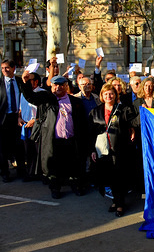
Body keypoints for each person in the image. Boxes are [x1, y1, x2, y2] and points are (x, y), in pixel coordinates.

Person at [20, 68, 88, 199]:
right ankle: (55, 188)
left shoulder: (75, 102)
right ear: (51, 86)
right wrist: (25, 82)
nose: (58, 88)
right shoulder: (47, 99)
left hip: (71, 139)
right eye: (55, 85)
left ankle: (76, 185)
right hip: (53, 140)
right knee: (54, 167)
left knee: (73, 164)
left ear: (66, 87)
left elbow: (82, 122)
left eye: (62, 85)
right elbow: (30, 97)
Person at [89, 84, 136, 217]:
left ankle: (120, 205)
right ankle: (116, 201)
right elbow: (91, 132)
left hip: (120, 149)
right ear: (102, 96)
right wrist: (92, 150)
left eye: (111, 94)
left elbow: (132, 122)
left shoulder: (123, 109)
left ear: (116, 95)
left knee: (119, 177)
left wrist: (132, 129)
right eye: (106, 94)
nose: (109, 96)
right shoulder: (96, 111)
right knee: (108, 177)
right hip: (103, 150)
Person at [0, 59, 26, 182]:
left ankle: (21, 171)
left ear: (13, 68)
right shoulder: (0, 83)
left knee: (19, 146)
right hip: (4, 119)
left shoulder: (20, 82)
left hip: (18, 118)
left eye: (7, 68)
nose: (5, 70)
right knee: (3, 148)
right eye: (2, 68)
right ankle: (5, 173)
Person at [18, 72, 45, 181]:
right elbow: (21, 108)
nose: (26, 82)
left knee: (38, 151)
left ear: (36, 81)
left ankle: (41, 174)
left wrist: (35, 120)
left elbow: (44, 112)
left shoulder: (42, 93)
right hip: (25, 126)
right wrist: (19, 117)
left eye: (28, 80)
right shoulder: (24, 92)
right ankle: (30, 173)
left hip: (37, 126)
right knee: (28, 151)